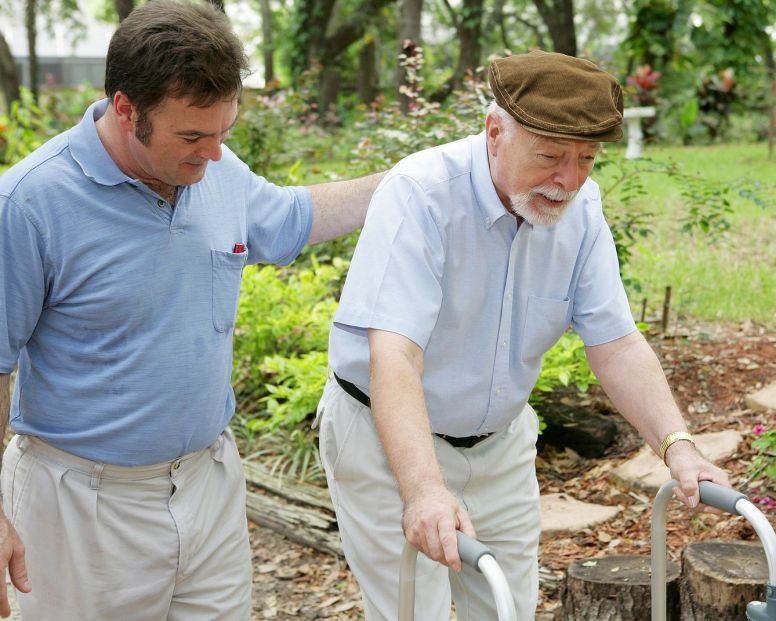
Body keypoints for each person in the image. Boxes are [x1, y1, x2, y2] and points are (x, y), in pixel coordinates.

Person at [0, 1, 383, 619]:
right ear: (126, 109)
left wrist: (415, 179)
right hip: (81, 506)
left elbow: (291, 217)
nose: (212, 155)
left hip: (207, 483)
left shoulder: (215, 168)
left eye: (223, 133)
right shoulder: (28, 203)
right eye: (192, 136)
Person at [318, 50, 730, 620]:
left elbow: (616, 342)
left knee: (508, 609)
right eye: (551, 156)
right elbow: (395, 354)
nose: (568, 180)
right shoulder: (420, 193)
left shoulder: (581, 209)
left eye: (586, 159)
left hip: (499, 444)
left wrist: (677, 446)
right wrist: (422, 490)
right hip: (387, 442)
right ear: (494, 133)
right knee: (413, 614)